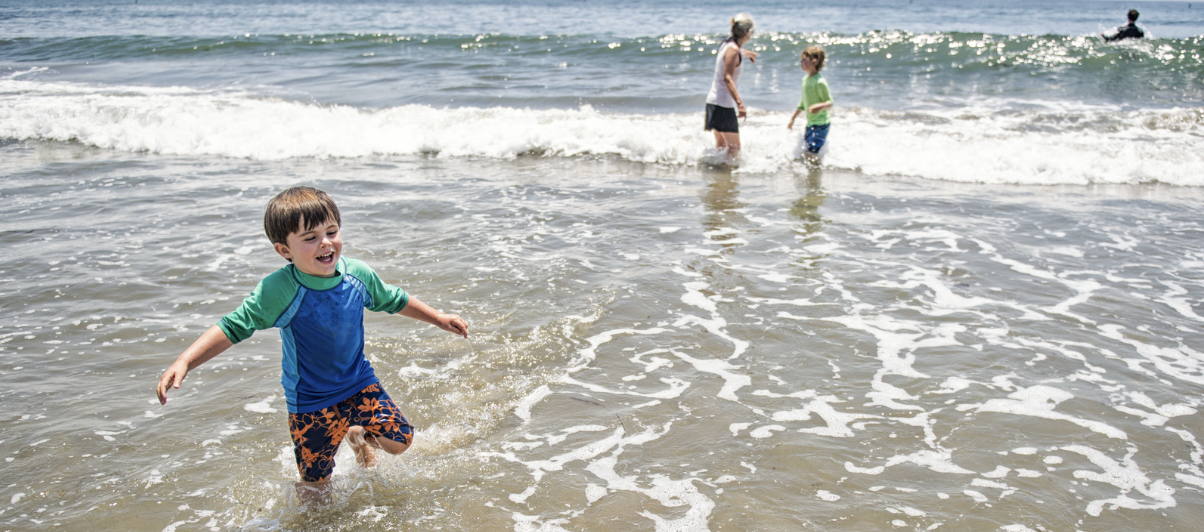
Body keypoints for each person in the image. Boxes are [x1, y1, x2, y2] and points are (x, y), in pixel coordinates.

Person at [155, 186, 468, 504]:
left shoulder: (356, 275)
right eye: (310, 238)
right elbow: (234, 326)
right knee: (317, 492)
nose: (326, 243)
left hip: (359, 383)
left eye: (332, 231)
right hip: (311, 403)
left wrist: (438, 318)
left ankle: (357, 437)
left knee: (401, 440)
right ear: (284, 250)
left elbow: (392, 298)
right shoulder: (279, 289)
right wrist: (185, 361)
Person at [704, 13, 758, 159]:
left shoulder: (727, 44)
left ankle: (718, 180)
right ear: (747, 32)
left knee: (721, 148)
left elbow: (735, 53)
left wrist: (747, 54)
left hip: (714, 102)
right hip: (723, 104)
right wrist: (740, 104)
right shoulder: (733, 49)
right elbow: (727, 78)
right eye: (751, 32)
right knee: (734, 150)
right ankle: (726, 180)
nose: (751, 36)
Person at [786, 46, 833, 160]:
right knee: (808, 152)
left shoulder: (820, 82)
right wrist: (793, 118)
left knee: (812, 153)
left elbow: (829, 103)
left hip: (821, 124)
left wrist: (819, 106)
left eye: (804, 60)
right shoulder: (805, 80)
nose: (801, 62)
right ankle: (812, 174)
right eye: (801, 59)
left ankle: (814, 175)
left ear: (814, 60)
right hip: (810, 123)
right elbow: (803, 102)